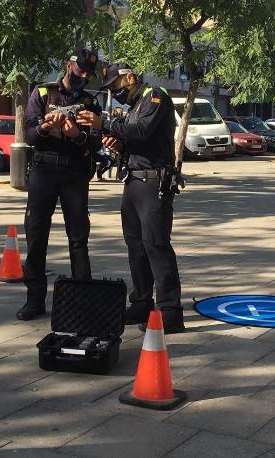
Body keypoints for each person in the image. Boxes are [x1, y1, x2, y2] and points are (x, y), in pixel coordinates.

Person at [79, 63, 185, 333]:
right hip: (134, 180)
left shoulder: (155, 95)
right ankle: (141, 302)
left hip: (154, 182)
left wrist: (105, 123)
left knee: (156, 246)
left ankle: (170, 311)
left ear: (129, 77)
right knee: (135, 247)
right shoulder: (136, 103)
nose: (115, 93)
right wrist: (119, 144)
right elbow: (135, 140)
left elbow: (140, 130)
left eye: (116, 86)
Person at [17, 48, 102, 321]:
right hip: (43, 170)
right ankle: (34, 299)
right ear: (68, 65)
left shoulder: (90, 102)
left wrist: (77, 135)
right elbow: (29, 136)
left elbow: (95, 143)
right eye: (80, 70)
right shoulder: (43, 93)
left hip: (74, 173)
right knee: (36, 235)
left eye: (89, 73)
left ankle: (83, 300)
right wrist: (44, 127)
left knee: (78, 238)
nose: (84, 76)